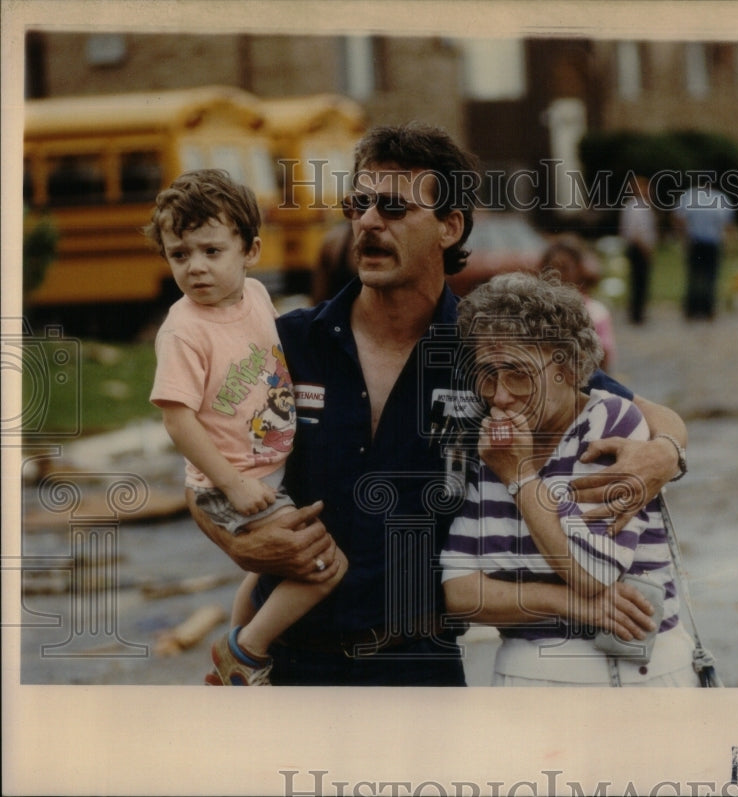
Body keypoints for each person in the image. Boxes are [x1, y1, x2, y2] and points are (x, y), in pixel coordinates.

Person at [186, 123, 688, 686]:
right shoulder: (288, 343)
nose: (369, 222)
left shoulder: (489, 351)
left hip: (419, 668)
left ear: (450, 226)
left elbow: (646, 411)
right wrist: (235, 539)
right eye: (359, 204)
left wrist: (664, 453)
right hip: (291, 662)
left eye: (395, 209)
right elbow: (204, 473)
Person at [441, 271, 698, 687]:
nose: (500, 395)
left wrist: (521, 478)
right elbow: (459, 592)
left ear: (567, 365)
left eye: (518, 373)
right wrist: (573, 605)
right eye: (487, 374)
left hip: (635, 677)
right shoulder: (488, 439)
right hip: (529, 676)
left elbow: (592, 571)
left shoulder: (609, 420)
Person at [147, 169, 348, 685]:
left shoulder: (257, 297)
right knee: (325, 566)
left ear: (250, 251)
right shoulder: (184, 331)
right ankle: (248, 651)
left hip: (270, 468)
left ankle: (231, 651)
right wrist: (233, 484)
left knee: (270, 568)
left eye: (211, 251)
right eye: (180, 254)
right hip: (229, 482)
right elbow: (177, 420)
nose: (195, 268)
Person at [539, 235, 617, 371]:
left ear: (579, 270)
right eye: (551, 268)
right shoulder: (538, 310)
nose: (557, 274)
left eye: (565, 268)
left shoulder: (595, 311)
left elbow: (604, 358)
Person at [674, 177, 735, 321]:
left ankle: (692, 308)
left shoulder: (690, 196)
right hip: (712, 242)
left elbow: (678, 217)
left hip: (695, 240)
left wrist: (683, 236)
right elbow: (727, 224)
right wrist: (728, 243)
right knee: (710, 276)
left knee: (694, 275)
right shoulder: (719, 198)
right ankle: (707, 308)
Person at [618, 174, 658, 325]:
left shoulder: (641, 206)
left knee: (641, 281)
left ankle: (638, 310)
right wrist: (645, 249)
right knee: (639, 281)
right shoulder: (636, 207)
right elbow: (636, 232)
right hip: (638, 248)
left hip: (640, 247)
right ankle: (636, 313)